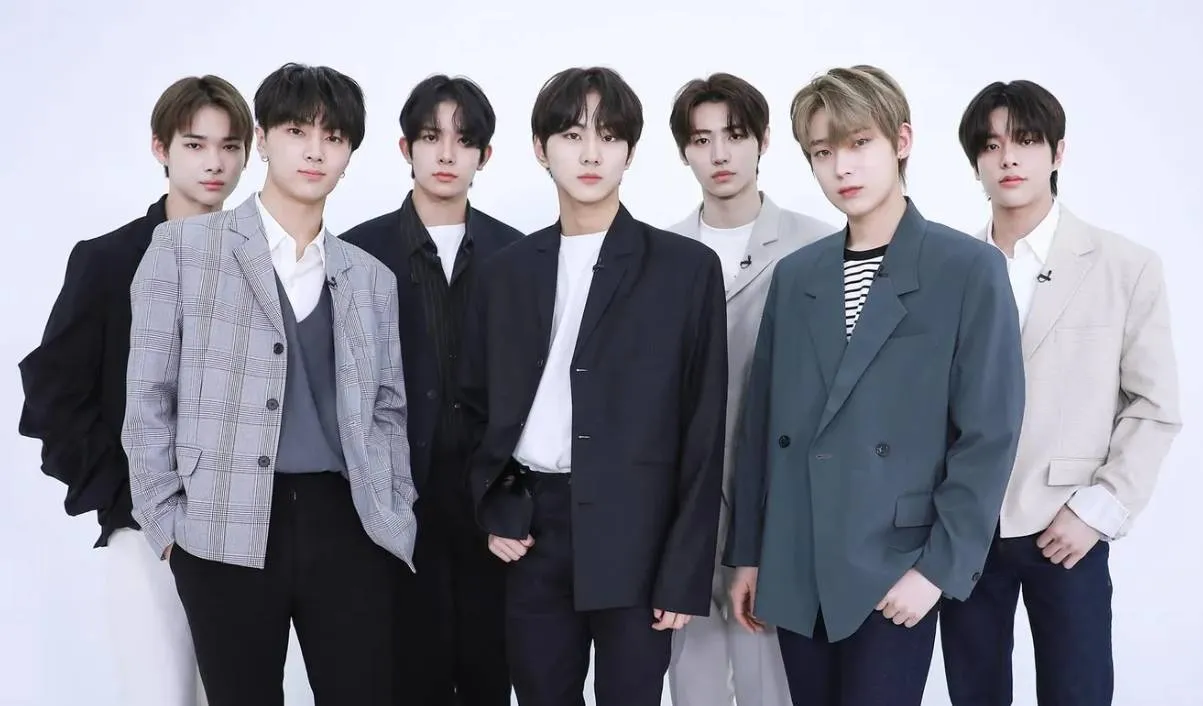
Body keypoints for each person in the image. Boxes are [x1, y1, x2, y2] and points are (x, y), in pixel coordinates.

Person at [723, 64, 1026, 706]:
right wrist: (748, 554)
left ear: (902, 141)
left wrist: (937, 570)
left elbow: (989, 434)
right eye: (822, 152)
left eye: (859, 143)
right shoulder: (797, 275)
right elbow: (761, 425)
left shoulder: (967, 268)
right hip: (798, 554)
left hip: (896, 562)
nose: (842, 168)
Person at [121, 62, 417, 706]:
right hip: (222, 526)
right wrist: (168, 526)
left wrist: (396, 510)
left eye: (333, 137)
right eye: (296, 131)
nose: (315, 151)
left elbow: (388, 410)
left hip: (348, 525)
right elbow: (147, 399)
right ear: (262, 139)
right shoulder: (182, 249)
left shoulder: (371, 278)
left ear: (349, 155)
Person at [457, 65, 728, 706]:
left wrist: (682, 573)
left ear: (629, 152)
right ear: (540, 148)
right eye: (572, 134)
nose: (590, 153)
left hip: (638, 535)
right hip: (533, 530)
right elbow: (472, 406)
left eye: (608, 136)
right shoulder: (504, 273)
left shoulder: (685, 270)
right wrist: (493, 508)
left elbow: (703, 427)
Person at [938, 79, 1183, 706]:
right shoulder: (947, 270)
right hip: (967, 528)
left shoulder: (1125, 265)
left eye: (1025, 140)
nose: (1008, 158)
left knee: (1078, 692)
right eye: (991, 145)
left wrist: (1099, 509)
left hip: (1066, 525)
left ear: (1058, 152)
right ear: (975, 163)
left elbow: (1154, 406)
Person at [17, 74, 253, 706]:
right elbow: (52, 396)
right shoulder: (108, 260)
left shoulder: (262, 262)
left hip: (244, 533)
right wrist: (126, 498)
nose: (214, 163)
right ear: (160, 149)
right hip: (147, 532)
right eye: (195, 144)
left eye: (230, 147)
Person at [341, 73, 522, 706]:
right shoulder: (357, 253)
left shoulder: (516, 255)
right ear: (405, 148)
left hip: (490, 504)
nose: (446, 154)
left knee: (489, 678)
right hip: (394, 504)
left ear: (485, 155)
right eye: (430, 137)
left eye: (464, 141)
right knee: (406, 681)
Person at [663, 71, 832, 706]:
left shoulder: (820, 245)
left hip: (781, 502)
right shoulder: (661, 254)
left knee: (775, 686)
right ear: (684, 151)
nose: (720, 153)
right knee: (695, 687)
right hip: (687, 506)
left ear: (762, 140)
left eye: (735, 135)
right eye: (701, 139)